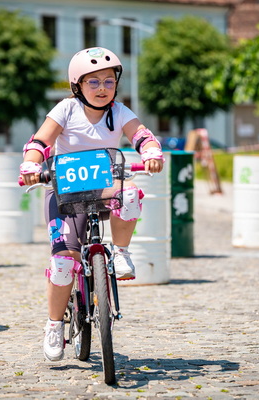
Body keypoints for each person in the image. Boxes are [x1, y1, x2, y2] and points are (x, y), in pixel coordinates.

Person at [19, 47, 164, 362]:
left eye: (109, 81)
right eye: (93, 82)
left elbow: (141, 135)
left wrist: (151, 151)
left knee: (130, 193)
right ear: (77, 85)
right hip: (64, 192)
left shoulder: (120, 112)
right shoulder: (66, 109)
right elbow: (40, 141)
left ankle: (121, 253)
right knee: (63, 265)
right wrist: (31, 163)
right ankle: (54, 325)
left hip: (103, 187)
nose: (102, 88)